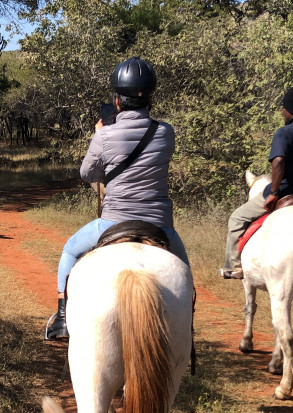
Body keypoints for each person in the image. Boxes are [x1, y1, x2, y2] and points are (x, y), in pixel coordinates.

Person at [45, 57, 190, 340]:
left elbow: (88, 173)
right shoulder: (166, 132)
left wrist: (101, 135)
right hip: (160, 225)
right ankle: (188, 330)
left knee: (70, 250)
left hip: (113, 221)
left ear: (117, 100)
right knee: (185, 273)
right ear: (149, 98)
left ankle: (62, 318)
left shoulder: (105, 135)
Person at [219, 84, 293, 280]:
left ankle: (233, 266)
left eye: (283, 107)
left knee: (237, 217)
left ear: (290, 110)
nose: (282, 111)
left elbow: (278, 161)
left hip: (286, 192)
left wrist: (274, 192)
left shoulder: (284, 133)